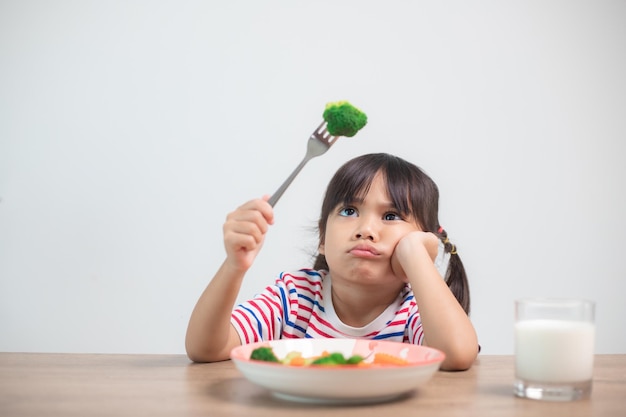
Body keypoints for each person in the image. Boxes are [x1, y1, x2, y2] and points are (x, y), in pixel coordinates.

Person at [186, 153, 478, 370]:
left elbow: (457, 354)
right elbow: (206, 348)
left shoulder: (415, 309)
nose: (366, 229)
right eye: (350, 211)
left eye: (391, 217)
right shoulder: (295, 296)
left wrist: (416, 255)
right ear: (322, 238)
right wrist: (234, 267)